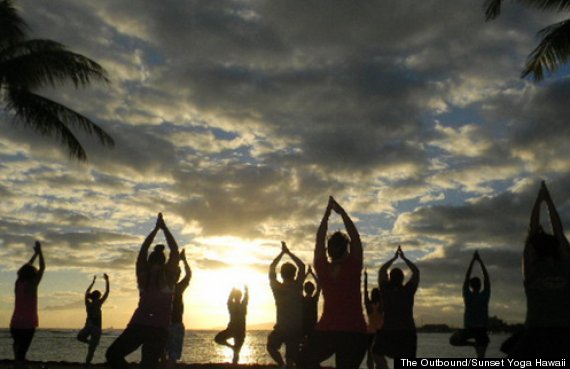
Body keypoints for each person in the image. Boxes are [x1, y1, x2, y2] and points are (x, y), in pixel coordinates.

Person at [503, 181, 570, 357]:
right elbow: (554, 232)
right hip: (540, 333)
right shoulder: (536, 270)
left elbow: (550, 233)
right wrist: (546, 200)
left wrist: (542, 200)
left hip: (555, 333)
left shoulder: (537, 270)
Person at [300, 196, 368, 369]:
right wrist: (342, 212)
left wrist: (326, 215)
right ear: (346, 249)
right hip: (354, 331)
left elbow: (319, 238)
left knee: (303, 361)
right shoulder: (354, 264)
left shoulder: (322, 267)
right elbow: (355, 236)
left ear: (328, 250)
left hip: (327, 330)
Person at [106, 213, 179, 369]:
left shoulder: (143, 274)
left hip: (139, 325)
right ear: (163, 260)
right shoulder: (169, 276)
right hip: (158, 328)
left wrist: (155, 230)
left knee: (112, 354)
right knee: (148, 365)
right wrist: (164, 228)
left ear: (150, 259)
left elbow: (143, 249)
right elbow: (174, 250)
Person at [374, 245, 419, 360]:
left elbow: (382, 270)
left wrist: (394, 258)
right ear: (402, 278)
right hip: (407, 332)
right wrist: (403, 258)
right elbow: (416, 272)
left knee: (377, 353)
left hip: (389, 331)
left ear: (390, 278)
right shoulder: (408, 290)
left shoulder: (386, 290)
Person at [267, 241, 306, 368]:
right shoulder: (298, 286)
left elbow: (272, 268)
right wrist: (288, 253)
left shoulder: (277, 288)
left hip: (282, 328)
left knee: (271, 347)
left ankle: (282, 365)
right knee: (291, 358)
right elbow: (302, 266)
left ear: (282, 274)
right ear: (294, 274)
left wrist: (282, 253)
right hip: (295, 328)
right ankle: (286, 365)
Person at [10, 241, 45, 369]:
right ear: (32, 274)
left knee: (18, 348)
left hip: (15, 323)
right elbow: (42, 268)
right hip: (28, 323)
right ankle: (19, 365)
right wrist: (40, 252)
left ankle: (18, 364)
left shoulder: (18, 283)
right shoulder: (32, 285)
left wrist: (35, 254)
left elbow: (27, 267)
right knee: (21, 353)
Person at [449, 251, 490, 358]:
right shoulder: (485, 295)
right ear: (480, 285)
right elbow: (487, 278)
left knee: (452, 340)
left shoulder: (468, 295)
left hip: (470, 329)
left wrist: (472, 261)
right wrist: (480, 261)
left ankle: (473, 344)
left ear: (471, 286)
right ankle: (475, 345)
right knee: (481, 358)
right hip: (481, 330)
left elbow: (467, 277)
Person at [164, 249, 191, 369]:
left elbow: (188, 275)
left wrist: (180, 261)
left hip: (167, 324)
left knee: (167, 354)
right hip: (172, 324)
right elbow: (189, 275)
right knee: (171, 355)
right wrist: (183, 260)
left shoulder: (166, 286)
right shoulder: (176, 287)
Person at [77, 273, 110, 368]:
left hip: (89, 326)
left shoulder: (88, 303)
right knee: (91, 350)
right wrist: (107, 280)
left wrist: (93, 282)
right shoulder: (99, 303)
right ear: (98, 296)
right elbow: (107, 292)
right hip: (96, 328)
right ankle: (87, 365)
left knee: (80, 338)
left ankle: (87, 364)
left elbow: (86, 292)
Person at [214, 285, 249, 365]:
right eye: (237, 296)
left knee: (236, 354)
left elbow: (244, 298)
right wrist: (245, 291)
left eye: (238, 296)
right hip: (233, 330)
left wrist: (244, 291)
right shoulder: (233, 305)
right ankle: (232, 348)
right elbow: (232, 299)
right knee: (219, 339)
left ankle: (234, 361)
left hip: (239, 331)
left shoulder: (240, 305)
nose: (237, 298)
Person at [364, 270, 386, 369]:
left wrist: (365, 279)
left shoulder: (369, 306)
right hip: (380, 332)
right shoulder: (381, 306)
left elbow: (365, 294)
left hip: (370, 332)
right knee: (379, 354)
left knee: (370, 354)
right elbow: (382, 295)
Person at [302, 266, 321, 342]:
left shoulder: (302, 299)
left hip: (303, 327)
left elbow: (299, 284)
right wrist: (311, 273)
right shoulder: (314, 299)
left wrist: (307, 273)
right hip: (313, 327)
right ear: (313, 290)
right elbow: (319, 285)